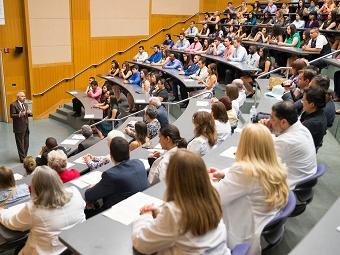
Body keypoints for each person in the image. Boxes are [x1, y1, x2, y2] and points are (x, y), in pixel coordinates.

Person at [209, 124, 288, 254]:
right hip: (258, 223)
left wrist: (205, 180)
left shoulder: (244, 171)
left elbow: (215, 197)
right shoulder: (274, 165)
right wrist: (225, 174)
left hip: (242, 233)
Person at [133, 149, 230, 255]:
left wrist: (145, 216)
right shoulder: (212, 195)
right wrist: (160, 213)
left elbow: (141, 244)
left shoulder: (175, 211)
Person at [0, 166, 86, 255]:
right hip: (74, 246)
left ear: (35, 187)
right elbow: (83, 206)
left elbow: (12, 223)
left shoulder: (34, 209)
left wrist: (1, 212)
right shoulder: (74, 192)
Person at [260, 101, 317, 189]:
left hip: (288, 187)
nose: (269, 121)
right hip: (302, 180)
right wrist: (272, 130)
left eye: (272, 118)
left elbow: (261, 163)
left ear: (283, 122)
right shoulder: (301, 128)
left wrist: (261, 133)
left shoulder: (286, 141)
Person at [85, 137, 148, 214]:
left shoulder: (110, 175)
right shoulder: (139, 163)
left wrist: (93, 187)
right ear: (129, 151)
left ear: (111, 156)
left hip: (118, 212)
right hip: (139, 205)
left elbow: (89, 195)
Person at [10, 91, 33, 162]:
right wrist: (20, 114)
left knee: (26, 143)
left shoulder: (25, 104)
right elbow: (12, 115)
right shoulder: (13, 105)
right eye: (22, 96)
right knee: (20, 144)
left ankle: (25, 156)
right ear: (18, 97)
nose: (24, 97)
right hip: (19, 127)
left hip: (26, 127)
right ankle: (22, 159)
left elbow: (27, 114)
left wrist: (30, 113)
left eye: (24, 96)